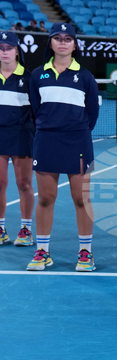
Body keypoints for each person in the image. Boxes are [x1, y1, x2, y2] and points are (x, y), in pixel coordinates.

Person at [26, 23, 100, 272]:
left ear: (75, 44)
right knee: (46, 198)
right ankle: (43, 251)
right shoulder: (38, 75)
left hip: (78, 142)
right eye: (57, 38)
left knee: (81, 199)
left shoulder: (86, 77)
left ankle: (86, 252)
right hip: (47, 141)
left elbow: (92, 114)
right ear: (50, 43)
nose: (62, 42)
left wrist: (74, 129)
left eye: (68, 38)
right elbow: (36, 110)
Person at [0, 31, 35, 248]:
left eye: (9, 48)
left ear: (17, 51)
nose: (4, 52)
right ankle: (1, 228)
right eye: (1, 48)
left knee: (24, 184)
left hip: (22, 135)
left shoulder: (29, 78)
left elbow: (37, 110)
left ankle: (26, 229)